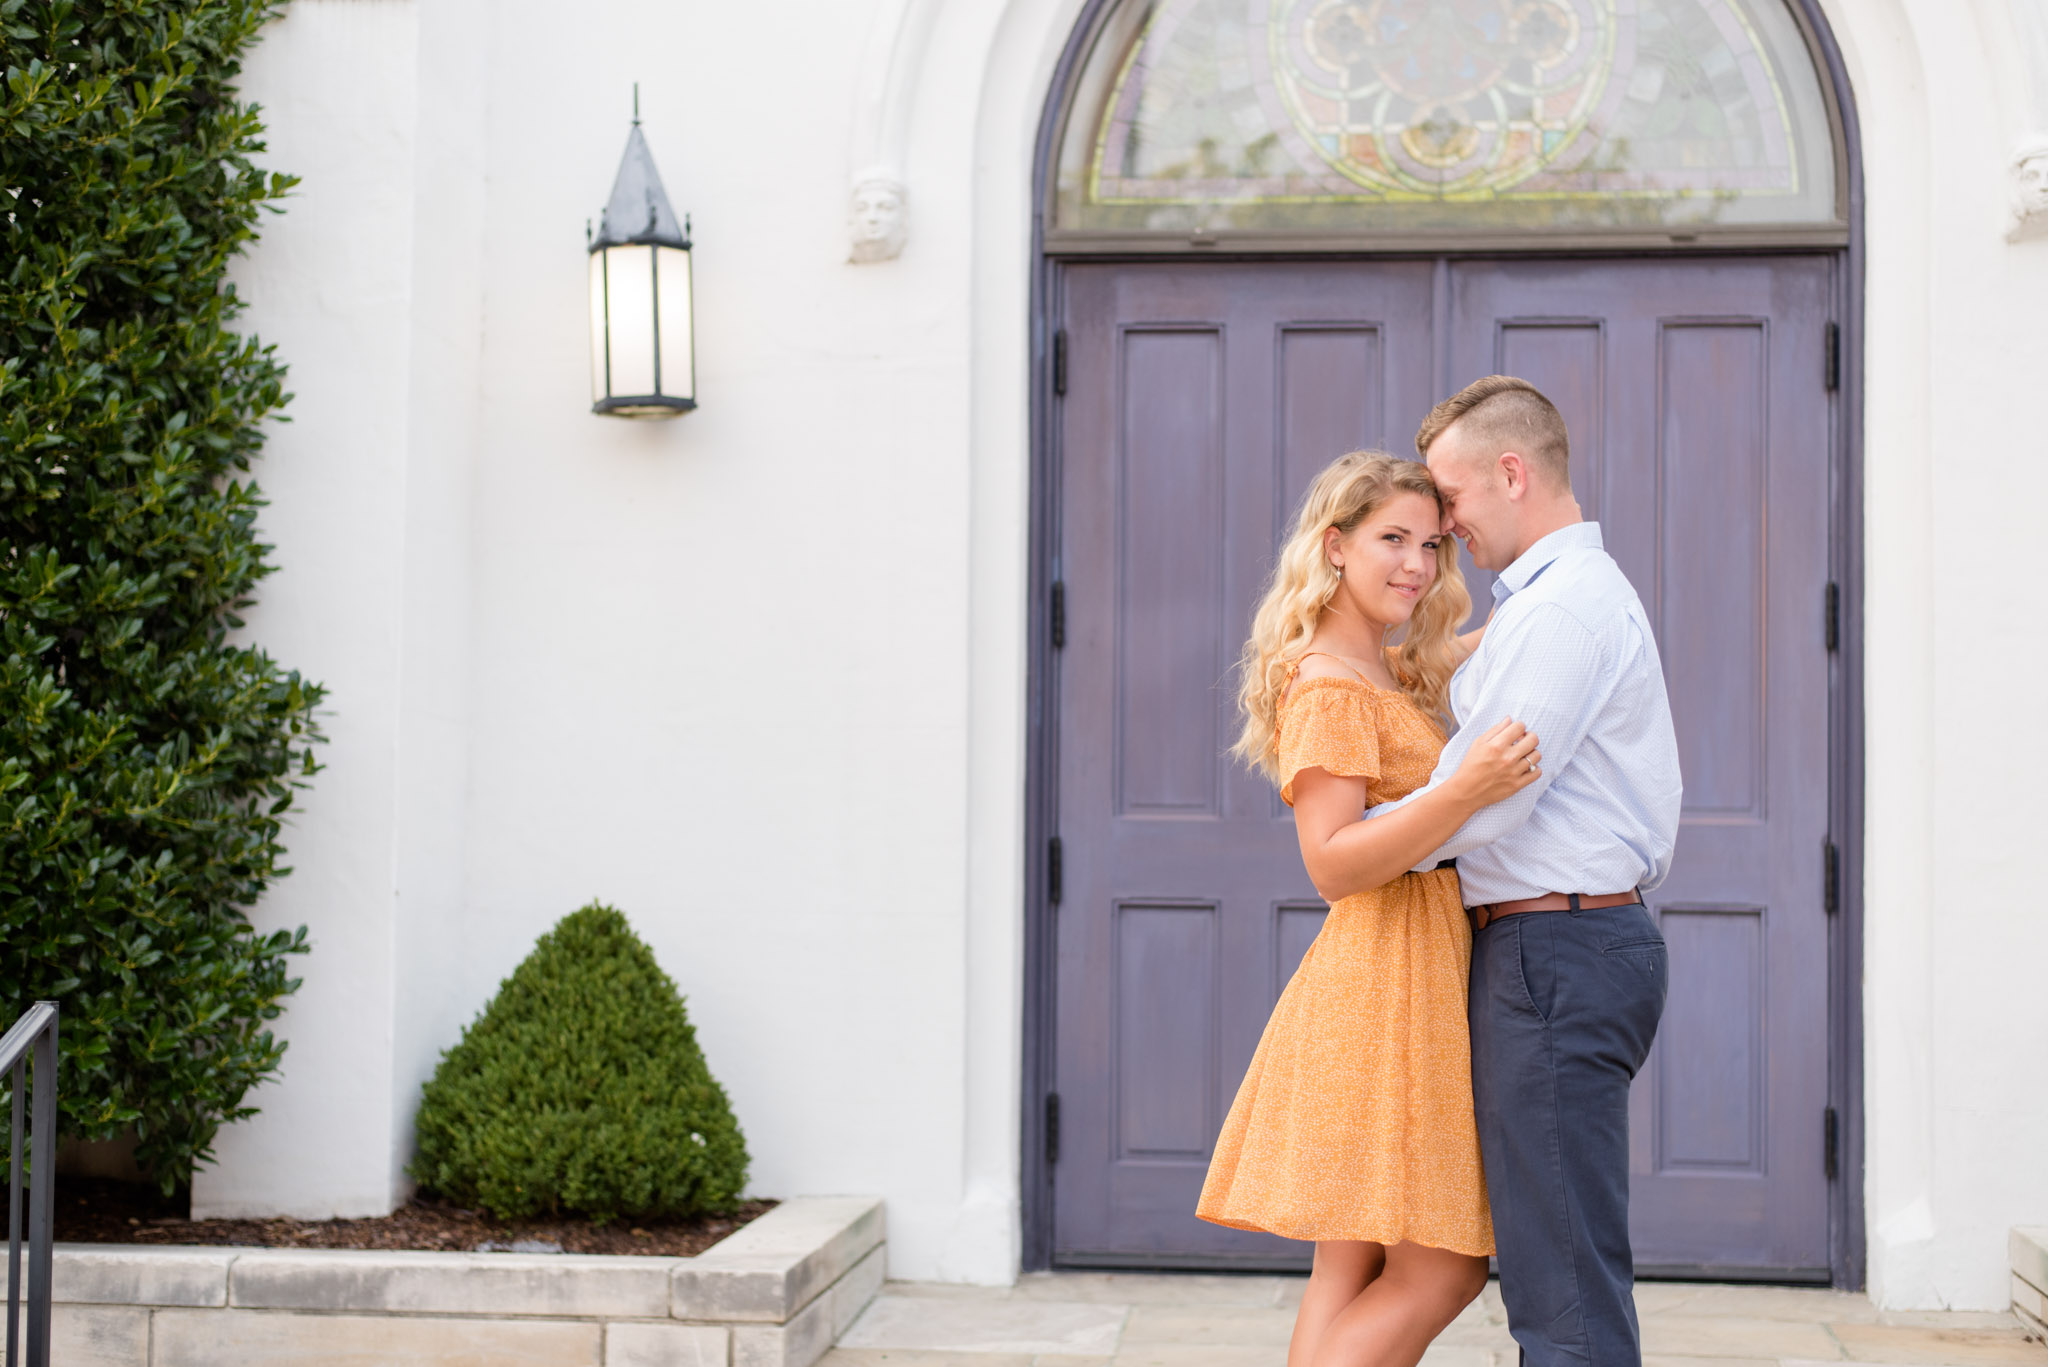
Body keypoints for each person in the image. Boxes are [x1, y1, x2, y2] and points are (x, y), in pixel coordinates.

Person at [1197, 451, 1546, 1367]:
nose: (1418, 565)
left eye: (1431, 543)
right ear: (1334, 546)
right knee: (1445, 1270)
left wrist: (1547, 601)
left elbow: (1489, 644)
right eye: (1392, 539)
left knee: (1345, 1271)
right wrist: (1461, 789)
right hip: (1383, 993)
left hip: (1409, 978)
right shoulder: (1328, 686)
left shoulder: (1382, 668)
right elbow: (1333, 862)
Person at [1363, 376, 1682, 1367]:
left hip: (1556, 948)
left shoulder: (1561, 610)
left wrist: (1352, 836)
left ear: (1511, 472)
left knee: (1563, 1289)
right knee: (1559, 1265)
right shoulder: (1545, 606)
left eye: (1450, 500)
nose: (1443, 523)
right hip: (1556, 944)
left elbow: (1488, 797)